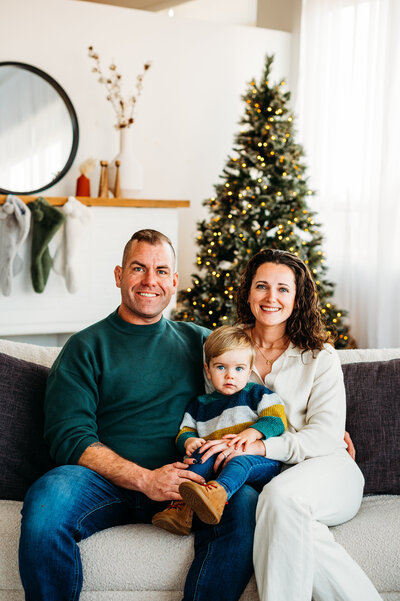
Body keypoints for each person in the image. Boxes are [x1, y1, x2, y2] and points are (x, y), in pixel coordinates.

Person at [18, 229, 264, 601]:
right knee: (48, 498)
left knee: (243, 503)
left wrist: (322, 433)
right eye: (139, 268)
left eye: (162, 271)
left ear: (175, 282)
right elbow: (69, 436)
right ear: (119, 276)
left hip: (189, 484)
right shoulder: (85, 347)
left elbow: (257, 391)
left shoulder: (200, 342)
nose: (151, 281)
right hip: (104, 484)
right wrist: (146, 479)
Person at [229, 248, 382, 601]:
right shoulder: (228, 349)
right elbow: (214, 417)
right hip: (273, 479)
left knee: (280, 497)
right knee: (296, 528)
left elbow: (326, 437)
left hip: (329, 470)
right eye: (262, 286)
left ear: (297, 299)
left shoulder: (319, 356)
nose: (271, 298)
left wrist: (263, 445)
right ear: (248, 292)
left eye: (283, 289)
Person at [152, 325, 285, 535]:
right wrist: (188, 441)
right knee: (199, 456)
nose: (229, 376)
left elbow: (276, 420)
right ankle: (181, 509)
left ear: (249, 371)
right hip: (214, 464)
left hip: (255, 463)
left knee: (239, 460)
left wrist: (252, 433)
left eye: (239, 369)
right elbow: (185, 430)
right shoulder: (200, 404)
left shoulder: (257, 394)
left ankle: (218, 494)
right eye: (221, 367)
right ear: (208, 370)